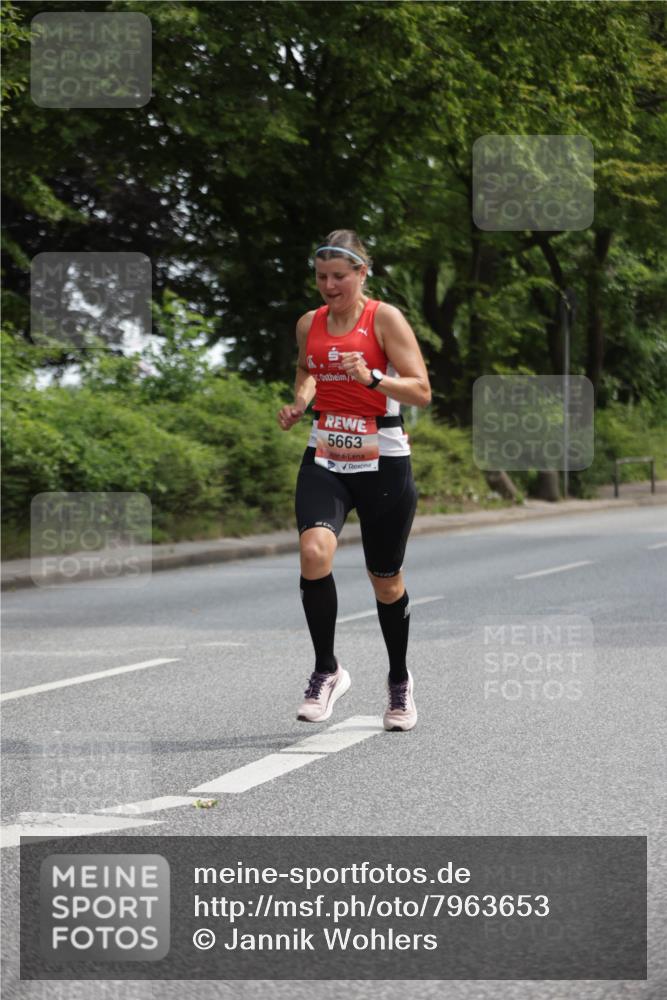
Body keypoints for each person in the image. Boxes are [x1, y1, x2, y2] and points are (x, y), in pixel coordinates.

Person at [277, 229, 431, 731]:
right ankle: (327, 670)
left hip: (383, 460)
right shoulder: (310, 323)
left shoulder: (383, 319)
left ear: (361, 273)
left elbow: (421, 391)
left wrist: (371, 379)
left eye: (339, 276)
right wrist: (302, 401)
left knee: (385, 583)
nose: (328, 286)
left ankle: (399, 682)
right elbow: (307, 370)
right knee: (314, 552)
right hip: (324, 453)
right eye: (321, 277)